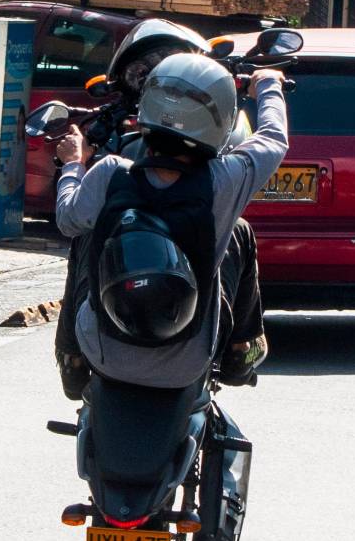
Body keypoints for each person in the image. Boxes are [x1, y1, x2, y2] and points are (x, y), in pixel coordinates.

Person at [54, 55, 287, 397]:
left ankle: (71, 358)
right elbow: (274, 139)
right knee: (238, 230)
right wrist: (268, 85)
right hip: (189, 363)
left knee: (87, 232)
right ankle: (242, 349)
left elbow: (67, 219)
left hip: (102, 354)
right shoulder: (223, 183)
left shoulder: (109, 174)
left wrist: (74, 165)